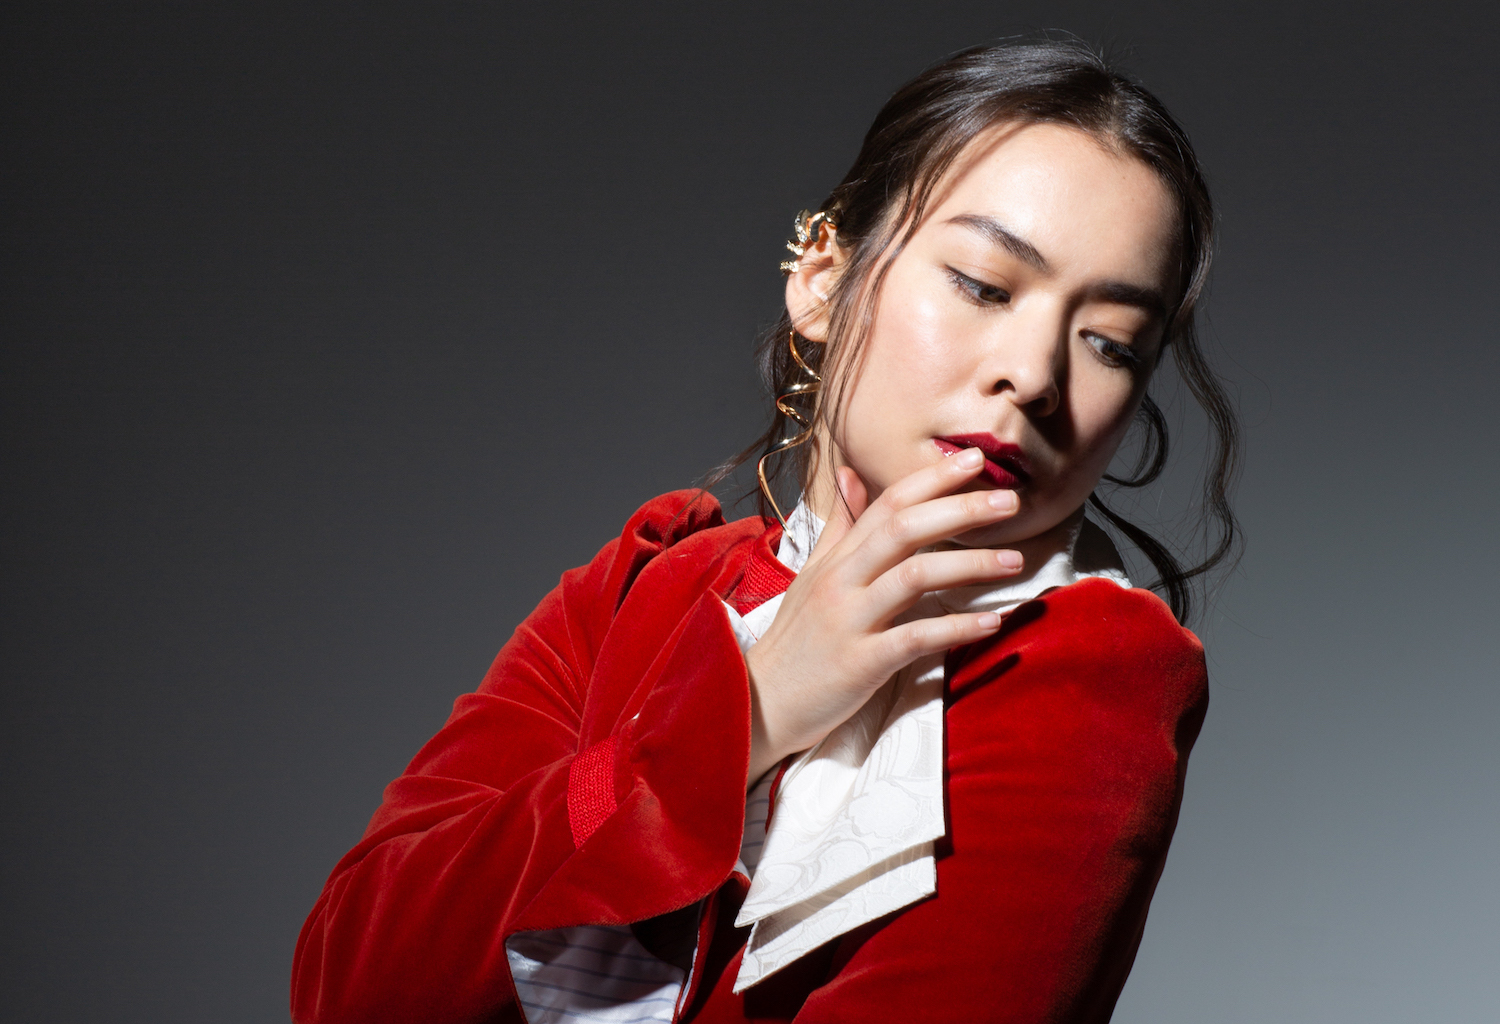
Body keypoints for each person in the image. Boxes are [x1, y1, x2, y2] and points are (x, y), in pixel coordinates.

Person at [291, 38, 1239, 1024]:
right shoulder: (643, 585)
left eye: (1110, 344)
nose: (1036, 375)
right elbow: (355, 986)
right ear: (822, 277)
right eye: (984, 285)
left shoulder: (1080, 669)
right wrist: (742, 712)